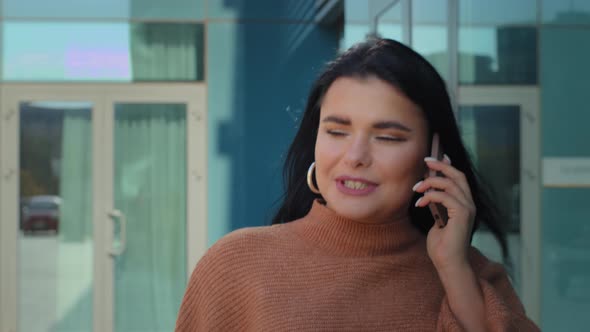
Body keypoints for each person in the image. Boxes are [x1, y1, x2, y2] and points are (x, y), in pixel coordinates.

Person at [175, 38, 540, 331]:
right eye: (336, 131)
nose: (355, 156)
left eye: (388, 137)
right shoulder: (236, 266)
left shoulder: (473, 278)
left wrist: (453, 272)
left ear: (434, 152)